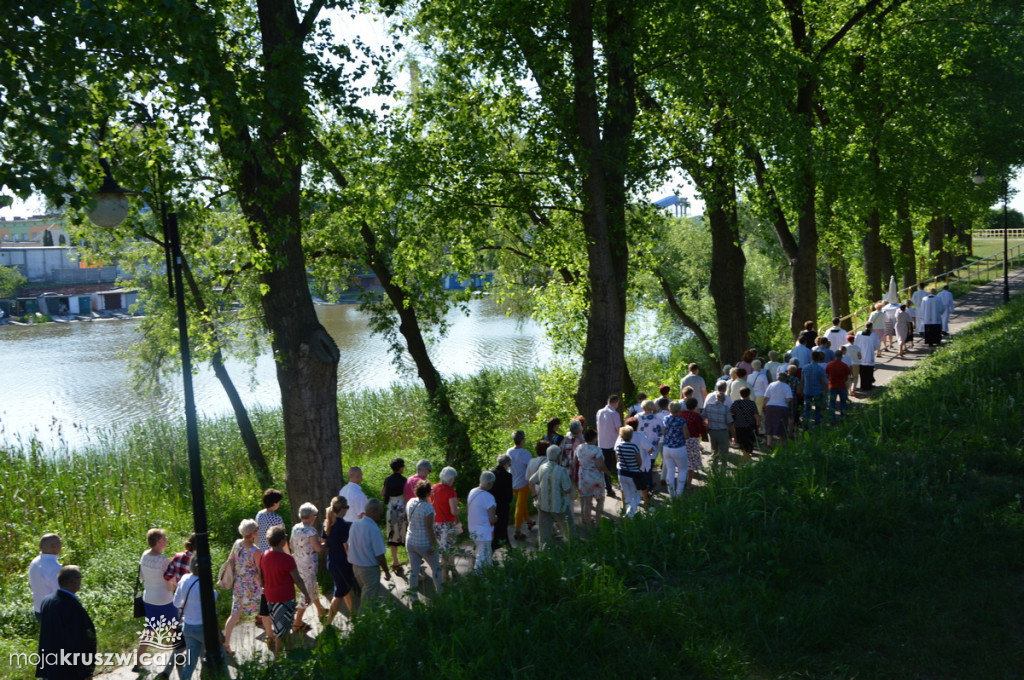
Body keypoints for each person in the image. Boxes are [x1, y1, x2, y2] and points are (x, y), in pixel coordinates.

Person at [37, 565, 95, 680]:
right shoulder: (72, 607)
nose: (81, 581)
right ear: (73, 581)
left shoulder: (47, 601)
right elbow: (79, 641)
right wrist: (86, 670)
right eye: (80, 578)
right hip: (68, 669)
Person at [261, 525, 311, 653]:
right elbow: (298, 579)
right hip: (284, 598)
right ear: (282, 541)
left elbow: (262, 577)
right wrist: (306, 594)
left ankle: (290, 652)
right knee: (280, 632)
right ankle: (278, 660)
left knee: (283, 627)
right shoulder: (287, 559)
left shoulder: (265, 556)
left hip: (270, 597)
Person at [134, 528, 174, 672]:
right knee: (174, 625)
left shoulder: (144, 555)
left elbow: (143, 576)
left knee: (150, 630)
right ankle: (177, 652)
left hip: (149, 598)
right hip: (164, 599)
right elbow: (170, 586)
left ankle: (138, 662)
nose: (166, 540)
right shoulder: (164, 561)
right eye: (164, 538)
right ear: (158, 542)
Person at [222, 519, 263, 656]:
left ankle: (226, 643)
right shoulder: (255, 551)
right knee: (265, 607)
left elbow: (231, 560)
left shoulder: (237, 543)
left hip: (239, 584)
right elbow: (259, 570)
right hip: (252, 586)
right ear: (253, 533)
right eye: (257, 529)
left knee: (234, 615)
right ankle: (272, 635)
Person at [347, 499, 392, 613]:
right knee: (367, 601)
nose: (380, 515)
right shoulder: (374, 529)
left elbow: (349, 544)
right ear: (373, 512)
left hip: (355, 567)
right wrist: (386, 571)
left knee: (366, 595)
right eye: (379, 512)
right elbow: (380, 555)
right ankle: (363, 626)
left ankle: (373, 618)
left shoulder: (355, 524)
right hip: (369, 568)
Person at [173, 562, 216, 680]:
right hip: (202, 627)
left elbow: (176, 603)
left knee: (190, 664)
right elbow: (213, 598)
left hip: (187, 626)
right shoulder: (204, 583)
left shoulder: (184, 578)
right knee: (218, 655)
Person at [289, 502, 326, 630]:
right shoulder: (310, 530)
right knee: (307, 593)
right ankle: (297, 622)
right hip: (309, 564)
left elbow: (291, 546)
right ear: (310, 516)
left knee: (312, 586)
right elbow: (318, 548)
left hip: (299, 563)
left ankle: (321, 610)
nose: (315, 517)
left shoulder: (295, 528)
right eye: (315, 515)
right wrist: (327, 543)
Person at [529, 445, 575, 544]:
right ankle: (573, 548)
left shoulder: (542, 468)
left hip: (544, 504)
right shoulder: (561, 470)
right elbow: (568, 490)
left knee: (544, 533)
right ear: (558, 456)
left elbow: (531, 481)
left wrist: (535, 496)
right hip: (560, 505)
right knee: (569, 530)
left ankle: (544, 552)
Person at [405, 480, 441, 603]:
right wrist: (434, 544)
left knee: (414, 570)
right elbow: (429, 528)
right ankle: (440, 592)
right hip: (424, 542)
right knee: (436, 567)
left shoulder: (410, 502)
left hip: (410, 540)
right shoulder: (428, 508)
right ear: (427, 493)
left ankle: (413, 597)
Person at [322, 497, 355, 624]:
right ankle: (328, 623)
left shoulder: (327, 522)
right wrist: (352, 560)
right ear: (342, 509)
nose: (347, 510)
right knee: (339, 593)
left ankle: (353, 614)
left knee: (345, 588)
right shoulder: (342, 524)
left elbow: (324, 541)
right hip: (342, 563)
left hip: (332, 561)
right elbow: (346, 546)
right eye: (346, 507)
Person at [574, 428, 608, 528]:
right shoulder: (597, 450)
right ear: (594, 438)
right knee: (600, 500)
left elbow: (575, 461)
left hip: (583, 477)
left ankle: (589, 525)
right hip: (595, 478)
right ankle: (598, 523)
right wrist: (608, 472)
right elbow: (600, 465)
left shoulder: (579, 448)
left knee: (587, 502)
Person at [431, 466, 459, 581]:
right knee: (446, 551)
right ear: (451, 479)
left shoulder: (433, 488)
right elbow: (454, 511)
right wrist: (458, 509)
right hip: (447, 525)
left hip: (435, 524)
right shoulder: (450, 491)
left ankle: (453, 570)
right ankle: (444, 579)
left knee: (446, 548)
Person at [381, 457, 408, 576]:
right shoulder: (404, 480)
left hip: (391, 508)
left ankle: (395, 560)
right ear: (400, 467)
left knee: (392, 534)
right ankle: (412, 557)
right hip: (401, 508)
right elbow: (406, 496)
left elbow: (382, 493)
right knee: (405, 533)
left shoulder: (387, 479)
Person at [467, 471, 498, 568]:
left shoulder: (472, 491)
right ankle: (478, 578)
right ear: (489, 483)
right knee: (483, 556)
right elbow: (492, 519)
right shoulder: (489, 497)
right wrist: (497, 518)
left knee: (486, 554)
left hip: (472, 528)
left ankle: (488, 573)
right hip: (484, 531)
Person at [28, 533, 62, 624]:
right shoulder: (55, 567)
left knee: (47, 637)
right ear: (53, 546)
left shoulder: (35, 561)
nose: (61, 545)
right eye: (60, 543)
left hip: (38, 608)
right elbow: (59, 594)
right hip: (53, 612)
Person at [660, 400, 690, 497]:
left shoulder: (665, 419)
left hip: (667, 448)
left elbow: (663, 432)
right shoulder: (681, 420)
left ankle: (671, 493)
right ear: (679, 410)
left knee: (670, 470)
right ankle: (679, 493)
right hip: (679, 448)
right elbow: (686, 435)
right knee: (682, 469)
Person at [613, 426, 644, 517]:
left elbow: (618, 460)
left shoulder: (618, 447)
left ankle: (629, 513)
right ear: (631, 436)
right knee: (637, 495)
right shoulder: (633, 447)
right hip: (633, 473)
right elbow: (639, 461)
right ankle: (630, 514)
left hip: (622, 473)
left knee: (627, 496)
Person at [596, 394, 623, 498]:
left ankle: (608, 486)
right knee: (619, 462)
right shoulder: (614, 414)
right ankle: (621, 484)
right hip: (614, 441)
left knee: (605, 465)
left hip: (602, 442)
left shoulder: (599, 412)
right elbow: (618, 429)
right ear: (615, 403)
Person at [508, 430, 533, 540]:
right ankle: (517, 530)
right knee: (520, 506)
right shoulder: (526, 454)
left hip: (513, 483)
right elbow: (531, 468)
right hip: (523, 483)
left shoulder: (509, 451)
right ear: (522, 440)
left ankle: (529, 521)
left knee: (522, 504)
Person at [703, 391, 735, 472]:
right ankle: (723, 470)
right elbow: (730, 423)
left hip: (712, 432)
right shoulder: (725, 408)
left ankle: (714, 469)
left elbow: (702, 417)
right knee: (724, 453)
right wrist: (734, 436)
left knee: (714, 452)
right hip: (723, 432)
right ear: (723, 400)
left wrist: (706, 427)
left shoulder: (708, 406)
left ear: (715, 398)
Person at [680, 397, 706, 492]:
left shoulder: (681, 414)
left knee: (682, 463)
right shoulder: (696, 416)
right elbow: (702, 430)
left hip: (681, 440)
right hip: (692, 440)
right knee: (691, 464)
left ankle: (681, 483)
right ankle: (688, 484)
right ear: (695, 406)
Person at [763, 372, 794, 448]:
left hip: (770, 407)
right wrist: (785, 401)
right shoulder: (787, 386)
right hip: (782, 407)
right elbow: (789, 399)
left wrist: (763, 406)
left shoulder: (771, 385)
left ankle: (769, 443)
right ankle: (782, 444)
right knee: (782, 426)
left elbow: (766, 397)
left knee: (769, 425)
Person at [491, 454, 514, 550]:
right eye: (509, 464)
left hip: (491, 505)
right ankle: (505, 547)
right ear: (506, 464)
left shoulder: (490, 473)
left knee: (494, 528)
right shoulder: (507, 476)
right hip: (503, 507)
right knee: (502, 528)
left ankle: (496, 545)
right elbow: (509, 497)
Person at [730, 387, 760, 460]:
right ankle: (747, 457)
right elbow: (756, 415)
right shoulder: (752, 403)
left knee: (742, 443)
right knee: (749, 443)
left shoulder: (736, 403)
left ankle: (745, 457)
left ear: (740, 394)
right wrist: (758, 423)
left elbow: (731, 413)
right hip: (750, 426)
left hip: (739, 426)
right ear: (749, 394)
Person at [801, 350, 828, 428]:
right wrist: (826, 391)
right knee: (818, 410)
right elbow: (823, 381)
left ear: (811, 357)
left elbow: (802, 380)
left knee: (807, 409)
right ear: (819, 358)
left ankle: (805, 426)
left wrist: (802, 389)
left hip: (807, 390)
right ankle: (817, 425)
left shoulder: (805, 367)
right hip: (818, 391)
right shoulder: (820, 369)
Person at [256, 489, 286, 554]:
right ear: (274, 503)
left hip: (261, 552)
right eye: (279, 502)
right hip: (273, 553)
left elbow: (256, 535)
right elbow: (282, 538)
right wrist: (288, 554)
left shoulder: (259, 514)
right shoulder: (276, 518)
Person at [825, 348, 852, 421]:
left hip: (832, 385)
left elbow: (827, 375)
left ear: (834, 356)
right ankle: (843, 417)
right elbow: (847, 376)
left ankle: (831, 418)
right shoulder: (844, 365)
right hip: (842, 385)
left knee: (831, 403)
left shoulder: (829, 364)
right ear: (841, 356)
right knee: (843, 402)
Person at [854, 323, 882, 390]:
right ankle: (868, 386)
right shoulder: (873, 335)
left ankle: (862, 385)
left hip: (860, 356)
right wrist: (873, 348)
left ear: (865, 326)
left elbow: (855, 343)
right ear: (871, 327)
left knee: (862, 372)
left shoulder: (858, 334)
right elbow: (877, 345)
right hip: (869, 355)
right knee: (869, 371)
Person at [842, 334, 861, 398]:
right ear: (854, 340)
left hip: (847, 364)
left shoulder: (844, 347)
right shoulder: (857, 347)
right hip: (855, 363)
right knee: (855, 377)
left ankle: (849, 390)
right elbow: (860, 357)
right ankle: (853, 389)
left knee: (849, 377)